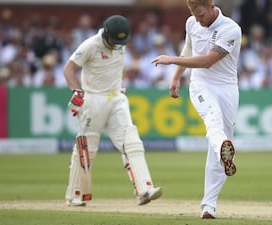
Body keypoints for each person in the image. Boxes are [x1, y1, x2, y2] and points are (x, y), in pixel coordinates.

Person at [152, 0, 241, 219]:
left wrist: (171, 61)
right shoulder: (192, 22)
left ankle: (209, 206)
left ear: (211, 6)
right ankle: (224, 148)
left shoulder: (231, 29)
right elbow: (188, 48)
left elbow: (208, 61)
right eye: (194, 14)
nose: (198, 20)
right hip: (200, 84)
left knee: (217, 145)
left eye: (201, 15)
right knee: (213, 121)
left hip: (227, 87)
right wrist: (176, 77)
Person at [63, 15, 162, 207]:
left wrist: (117, 86)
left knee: (132, 142)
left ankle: (144, 190)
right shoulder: (90, 45)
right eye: (114, 40)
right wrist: (76, 91)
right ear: (106, 33)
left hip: (116, 98)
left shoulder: (119, 42)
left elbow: (113, 68)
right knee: (86, 148)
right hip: (93, 100)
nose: (117, 45)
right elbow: (68, 69)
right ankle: (74, 194)